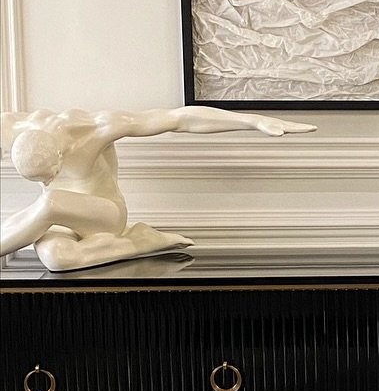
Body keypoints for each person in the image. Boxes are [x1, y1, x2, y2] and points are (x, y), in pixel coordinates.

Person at [1, 105, 313, 270]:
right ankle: (139, 242)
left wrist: (252, 121)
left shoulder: (95, 128)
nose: (47, 181)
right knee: (58, 259)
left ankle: (122, 235)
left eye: (50, 173)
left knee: (51, 201)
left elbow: (179, 119)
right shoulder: (12, 126)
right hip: (61, 222)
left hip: (104, 216)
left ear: (59, 153)